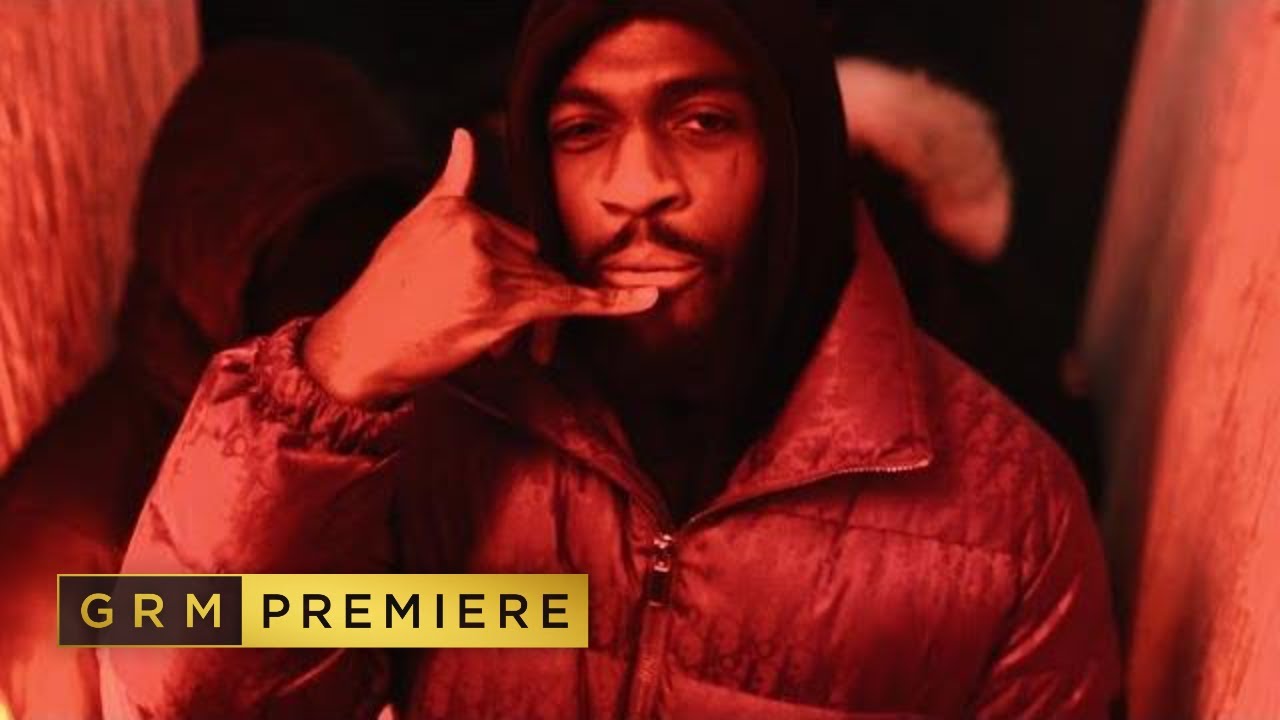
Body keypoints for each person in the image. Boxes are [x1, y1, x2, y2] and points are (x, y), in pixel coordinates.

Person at [101, 2, 1120, 717]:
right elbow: (175, 686)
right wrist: (338, 367)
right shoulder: (451, 429)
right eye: (582, 131)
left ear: (797, 152)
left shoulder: (1009, 515)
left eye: (701, 122)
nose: (636, 186)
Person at [0, 42, 422, 719]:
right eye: (319, 251)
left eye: (380, 243)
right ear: (211, 262)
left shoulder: (369, 439)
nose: (359, 296)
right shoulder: (75, 543)